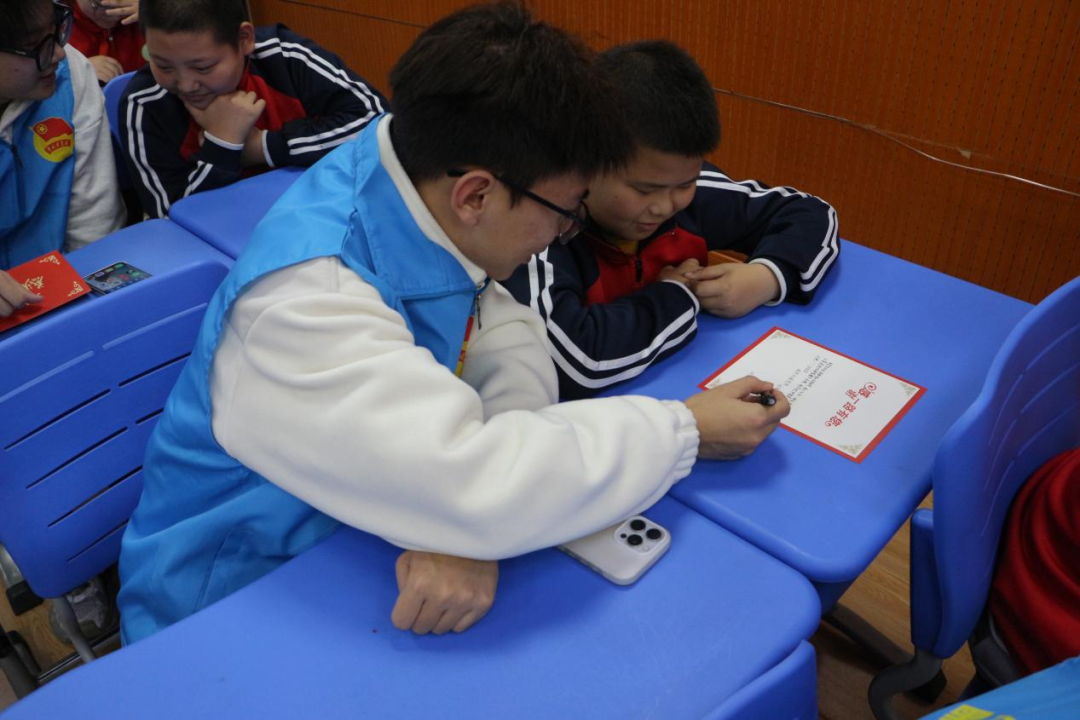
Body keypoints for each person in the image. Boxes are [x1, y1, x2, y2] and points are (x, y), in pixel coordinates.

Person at [117, 1, 790, 643]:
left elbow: (503, 335)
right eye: (565, 214)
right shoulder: (306, 303)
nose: (560, 236)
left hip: (355, 531)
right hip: (228, 600)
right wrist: (684, 429)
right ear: (477, 196)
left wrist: (461, 518)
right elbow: (474, 480)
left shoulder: (411, 172)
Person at [503, 41, 839, 399]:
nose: (664, 207)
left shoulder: (688, 198)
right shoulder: (537, 235)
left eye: (685, 183)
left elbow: (810, 212)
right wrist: (676, 296)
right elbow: (573, 364)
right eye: (643, 190)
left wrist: (765, 277)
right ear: (583, 163)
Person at [119, 0, 386, 219]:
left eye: (203, 68)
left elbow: (378, 120)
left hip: (320, 215)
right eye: (163, 66)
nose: (186, 85)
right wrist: (223, 144)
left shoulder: (284, 56)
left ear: (244, 39)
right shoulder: (143, 103)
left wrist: (264, 147)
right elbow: (170, 217)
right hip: (225, 239)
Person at [1, 0, 125, 316]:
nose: (58, 53)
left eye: (56, 27)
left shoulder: (71, 74)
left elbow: (95, 229)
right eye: (35, 45)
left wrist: (93, 305)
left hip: (62, 288)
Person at [70, 0, 146, 85]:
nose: (113, 14)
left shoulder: (144, 12)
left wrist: (153, 16)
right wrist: (77, 70)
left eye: (120, 4)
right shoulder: (60, 21)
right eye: (97, 5)